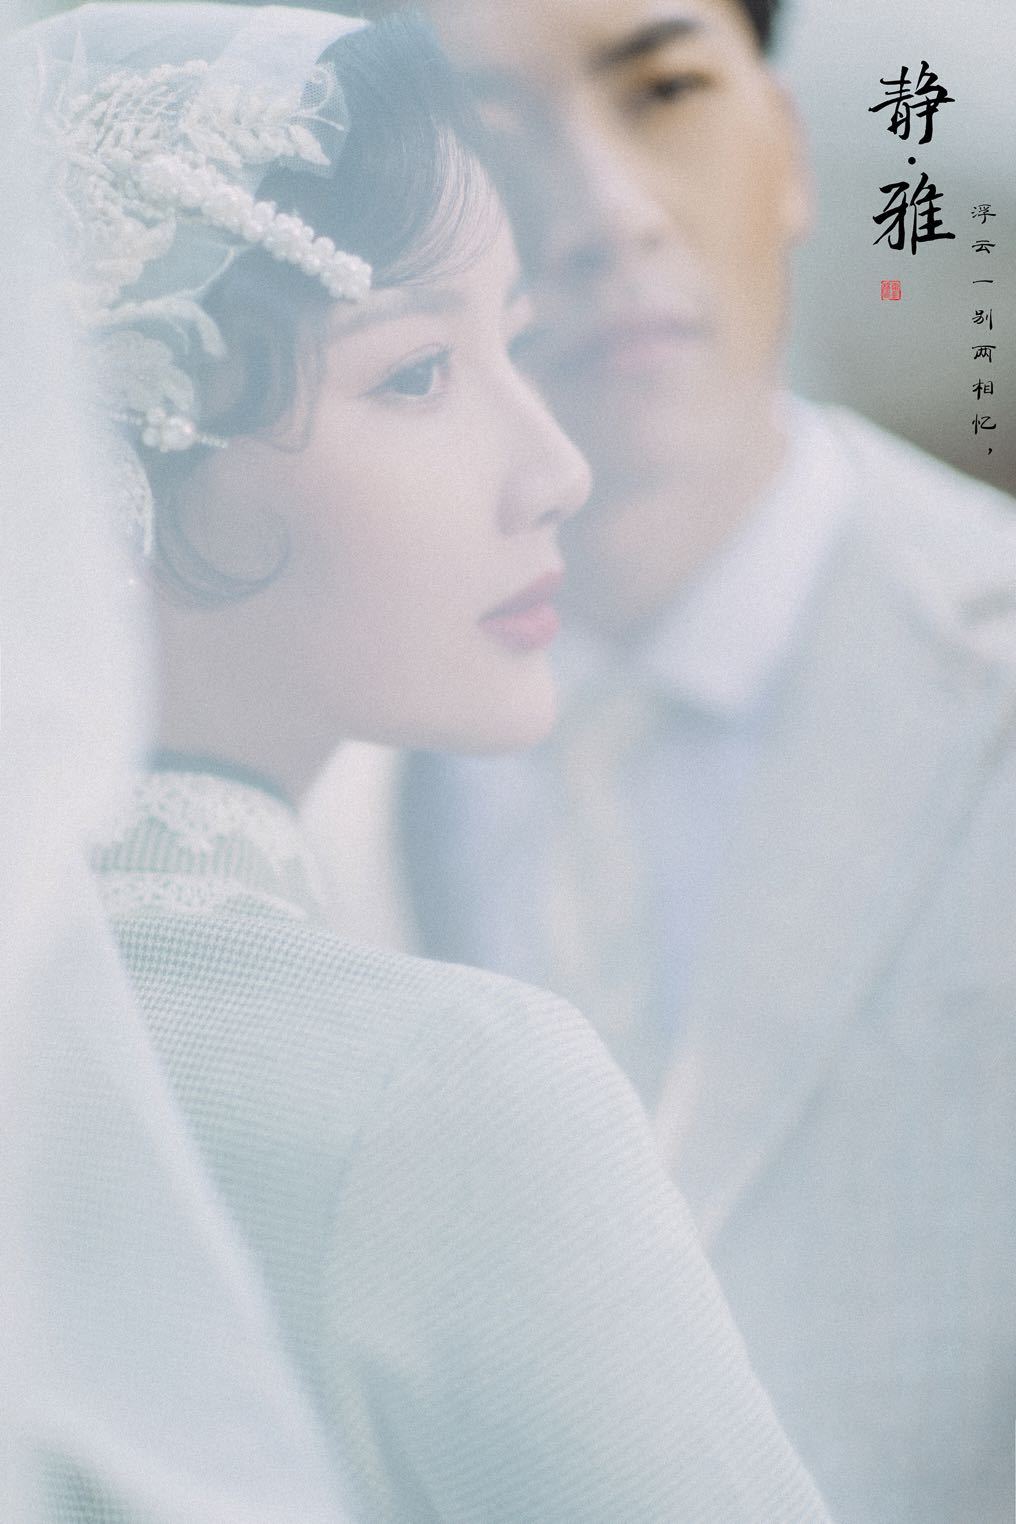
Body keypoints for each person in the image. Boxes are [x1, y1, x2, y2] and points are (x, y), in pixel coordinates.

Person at [11, 4, 834, 1520]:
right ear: (114, 451)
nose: (556, 469)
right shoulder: (456, 1093)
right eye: (416, 376)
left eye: (514, 345)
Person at [312, 1, 1016, 1519]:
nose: (604, 211)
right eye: (483, 135)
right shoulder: (295, 800)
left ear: (792, 150)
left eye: (668, 90)